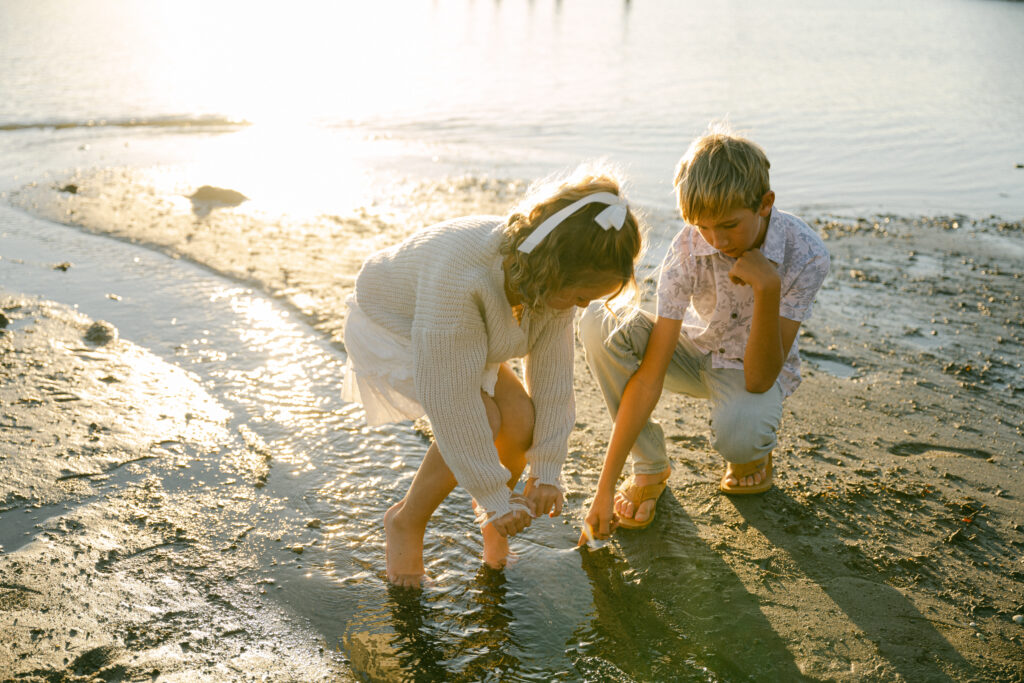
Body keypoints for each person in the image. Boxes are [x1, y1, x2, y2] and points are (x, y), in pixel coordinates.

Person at [342, 167, 643, 586]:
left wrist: (547, 472)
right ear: (554, 270)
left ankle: (494, 522)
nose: (581, 306)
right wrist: (494, 494)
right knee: (483, 418)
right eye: (580, 296)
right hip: (398, 325)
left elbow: (554, 383)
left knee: (520, 418)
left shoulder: (551, 287)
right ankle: (406, 522)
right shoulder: (462, 279)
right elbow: (453, 404)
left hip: (470, 333)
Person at [579, 125, 830, 538]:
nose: (715, 240)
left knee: (743, 440)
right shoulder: (687, 247)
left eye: (729, 225)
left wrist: (767, 287)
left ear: (765, 204)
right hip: (693, 351)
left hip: (751, 366)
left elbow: (761, 377)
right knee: (600, 320)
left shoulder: (807, 254)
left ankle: (752, 458)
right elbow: (651, 375)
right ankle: (650, 468)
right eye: (702, 226)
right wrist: (605, 488)